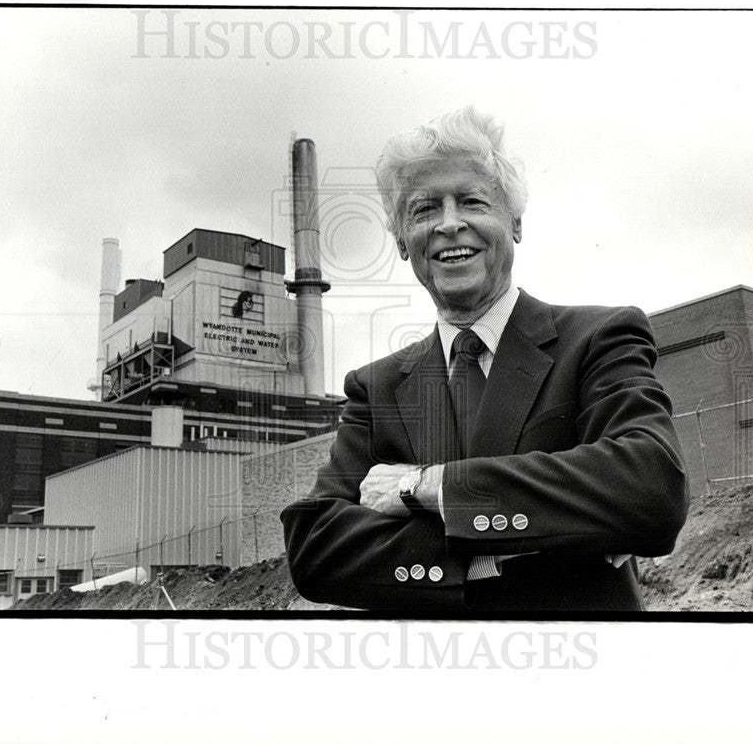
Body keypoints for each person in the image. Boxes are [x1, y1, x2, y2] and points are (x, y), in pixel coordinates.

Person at [280, 106, 689, 613]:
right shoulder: (377, 387)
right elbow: (316, 549)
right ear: (403, 243)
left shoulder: (597, 339)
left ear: (514, 223)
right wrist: (526, 539)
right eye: (424, 209)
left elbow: (650, 488)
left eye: (471, 201)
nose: (450, 225)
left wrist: (423, 488)